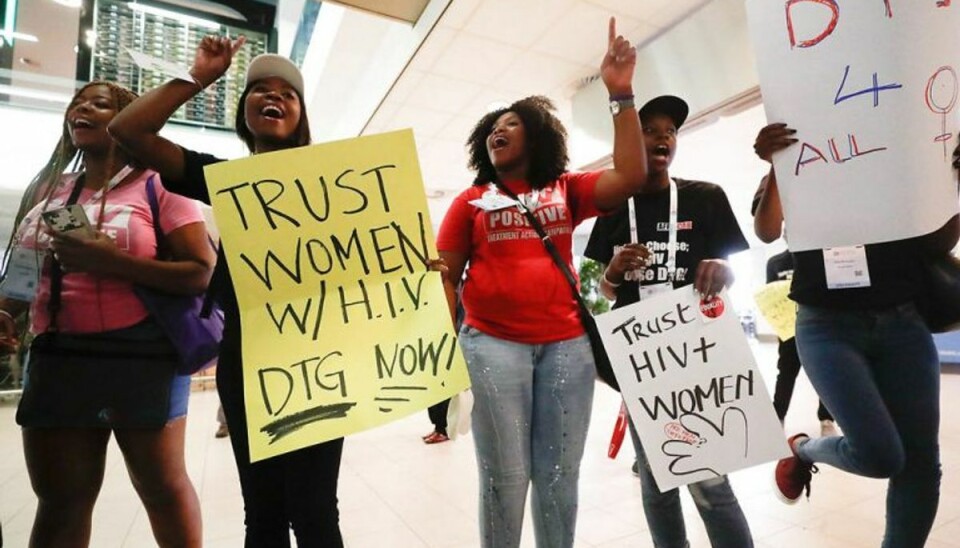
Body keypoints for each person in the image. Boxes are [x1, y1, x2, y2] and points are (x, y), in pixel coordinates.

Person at [109, 37, 344, 546]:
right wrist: (198, 76)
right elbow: (127, 130)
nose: (273, 97)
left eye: (288, 93)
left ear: (301, 117)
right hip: (249, 358)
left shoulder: (336, 186)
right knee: (262, 511)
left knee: (315, 513)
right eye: (259, 90)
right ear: (244, 111)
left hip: (321, 360)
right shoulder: (222, 179)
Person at [436, 18, 649, 548]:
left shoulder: (566, 189)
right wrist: (441, 358)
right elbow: (445, 280)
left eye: (510, 123)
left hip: (567, 350)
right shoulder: (468, 202)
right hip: (490, 348)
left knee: (558, 478)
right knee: (505, 478)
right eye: (491, 128)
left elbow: (630, 175)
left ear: (536, 131)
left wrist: (621, 94)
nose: (497, 132)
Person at [0, 81, 211, 547]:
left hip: (144, 356)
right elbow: (24, 265)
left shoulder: (160, 184)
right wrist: (7, 308)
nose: (83, 107)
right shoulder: (49, 188)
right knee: (60, 499)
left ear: (125, 119)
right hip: (60, 356)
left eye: (100, 103)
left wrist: (110, 262)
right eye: (78, 101)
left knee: (160, 489)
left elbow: (199, 272)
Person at [756, 122, 960, 547]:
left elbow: (937, 242)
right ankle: (803, 449)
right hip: (827, 324)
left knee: (921, 464)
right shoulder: (804, 148)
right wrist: (776, 166)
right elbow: (767, 230)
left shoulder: (904, 153)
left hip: (903, 318)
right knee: (880, 454)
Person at [584, 94, 754, 548]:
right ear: (629, 142)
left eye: (671, 131)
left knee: (711, 482)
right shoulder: (611, 208)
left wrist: (724, 271)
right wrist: (615, 272)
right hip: (642, 362)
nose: (663, 137)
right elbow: (596, 294)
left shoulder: (705, 198)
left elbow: (731, 272)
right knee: (658, 484)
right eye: (650, 129)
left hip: (698, 356)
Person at [752, 183, 838, 436]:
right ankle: (777, 416)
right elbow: (770, 293)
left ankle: (827, 419)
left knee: (826, 374)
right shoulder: (775, 262)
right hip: (788, 330)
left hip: (820, 325)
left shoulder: (819, 258)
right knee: (786, 374)